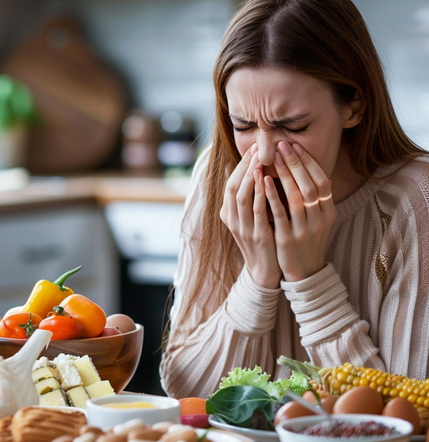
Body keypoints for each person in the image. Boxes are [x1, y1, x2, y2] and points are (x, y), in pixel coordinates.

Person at [161, 0, 429, 399]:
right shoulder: (216, 178)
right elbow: (185, 392)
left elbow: (404, 418)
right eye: (243, 125)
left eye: (292, 126)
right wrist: (257, 278)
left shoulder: (414, 203)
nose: (264, 155)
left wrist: (310, 279)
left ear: (353, 105)